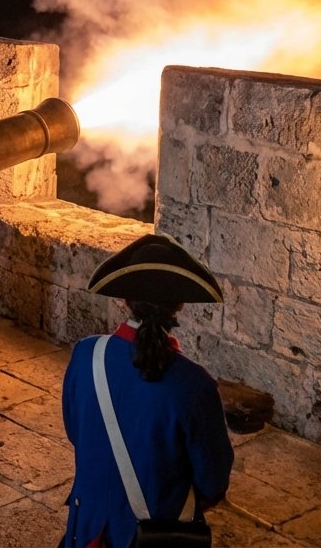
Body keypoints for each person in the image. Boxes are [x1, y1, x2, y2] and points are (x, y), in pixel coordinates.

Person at [60, 234, 234, 548]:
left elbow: (77, 432)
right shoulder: (195, 385)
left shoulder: (85, 354)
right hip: (152, 536)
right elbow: (213, 482)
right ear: (179, 306)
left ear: (123, 300)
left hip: (86, 530)